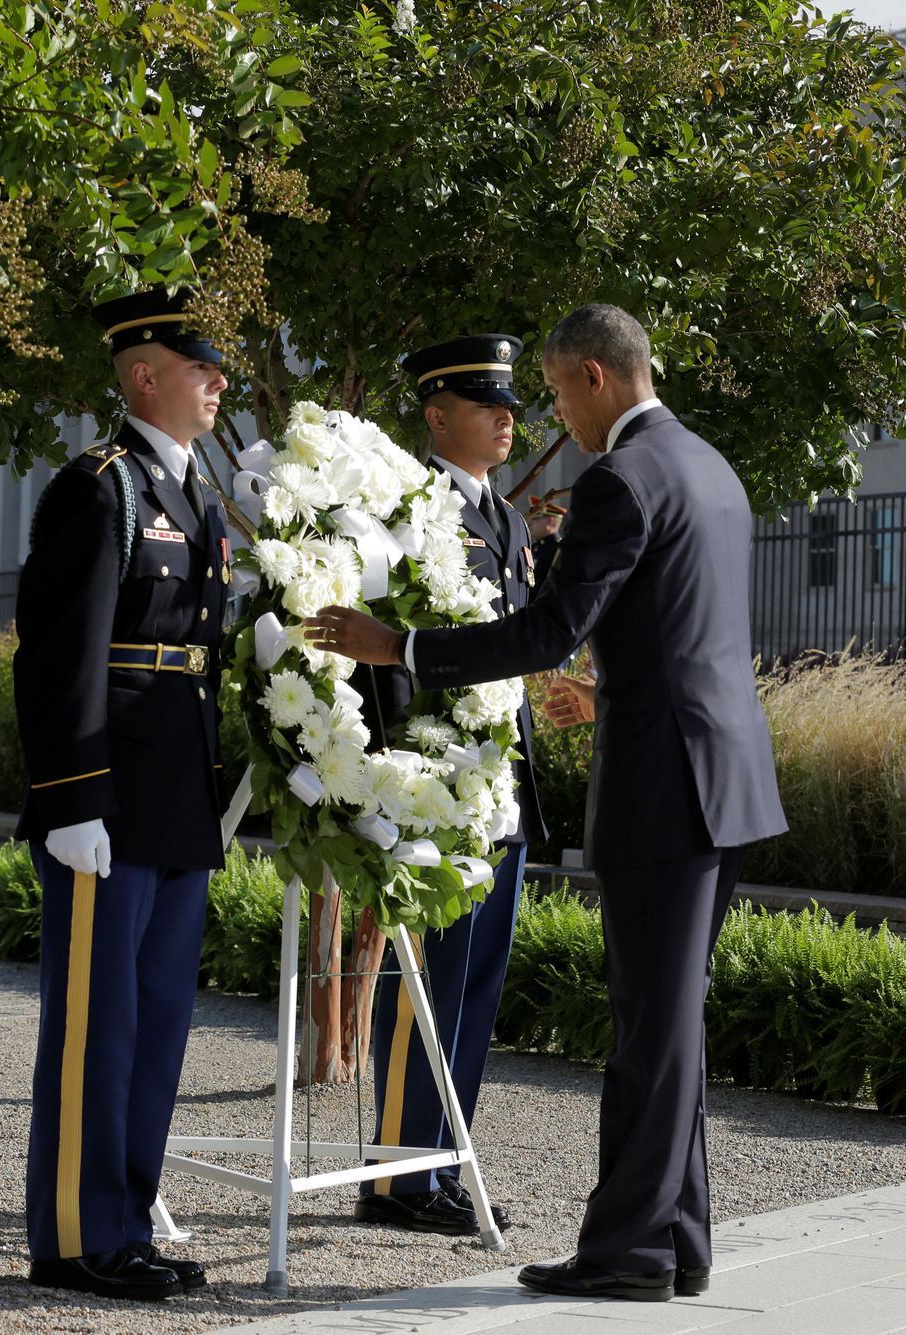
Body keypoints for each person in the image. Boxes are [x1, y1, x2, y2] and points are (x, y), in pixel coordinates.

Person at [308, 303, 786, 1304]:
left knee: (648, 1030)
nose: (551, 416)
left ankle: (628, 1252)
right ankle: (680, 1241)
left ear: (596, 379)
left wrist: (399, 647)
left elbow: (546, 631)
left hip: (666, 786)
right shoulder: (711, 465)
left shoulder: (619, 477)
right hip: (728, 779)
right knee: (673, 1025)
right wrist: (610, 691)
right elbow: (683, 633)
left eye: (559, 392)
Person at [11, 289, 232, 1302]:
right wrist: (70, 800)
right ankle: (76, 1235)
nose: (218, 379)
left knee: (155, 1023)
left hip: (177, 799)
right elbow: (59, 658)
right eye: (200, 364)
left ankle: (129, 1220)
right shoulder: (96, 488)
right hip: (107, 800)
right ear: (144, 374)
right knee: (97, 1027)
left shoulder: (199, 494)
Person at [352, 334, 544, 1238]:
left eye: (509, 405)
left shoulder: (502, 518)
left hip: (500, 784)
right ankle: (396, 1175)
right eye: (486, 406)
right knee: (426, 979)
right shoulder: (408, 507)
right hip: (440, 786)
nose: (507, 420)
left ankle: (443, 1161)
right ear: (437, 417)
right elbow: (386, 651)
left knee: (474, 986)